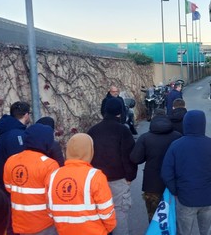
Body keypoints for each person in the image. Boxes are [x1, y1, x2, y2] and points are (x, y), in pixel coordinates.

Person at [162, 110, 211, 235]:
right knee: (206, 231)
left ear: (186, 124)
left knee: (184, 232)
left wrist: (175, 190)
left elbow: (166, 172)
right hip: (208, 196)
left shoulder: (176, 145)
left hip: (185, 196)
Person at [46, 133, 116, 235]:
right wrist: (108, 229)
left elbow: (50, 211)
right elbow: (107, 212)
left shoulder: (53, 176)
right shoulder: (95, 176)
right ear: (90, 151)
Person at [88, 97, 137, 235]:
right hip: (118, 179)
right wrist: (130, 177)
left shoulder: (92, 131)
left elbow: (88, 155)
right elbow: (129, 157)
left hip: (96, 180)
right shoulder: (123, 131)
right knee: (119, 213)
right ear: (120, 113)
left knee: (100, 213)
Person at [4, 123, 59, 234]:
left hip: (19, 224)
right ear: (46, 142)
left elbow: (9, 188)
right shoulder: (50, 165)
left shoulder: (11, 160)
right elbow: (55, 197)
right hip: (44, 224)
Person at [130, 111, 182, 222]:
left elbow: (135, 159)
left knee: (154, 217)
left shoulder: (145, 138)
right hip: (174, 182)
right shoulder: (177, 136)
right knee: (173, 216)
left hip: (152, 183)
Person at [0, 101, 31, 194]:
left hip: (5, 185)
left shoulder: (6, 132)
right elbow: (20, 162)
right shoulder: (17, 135)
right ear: (26, 115)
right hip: (15, 188)